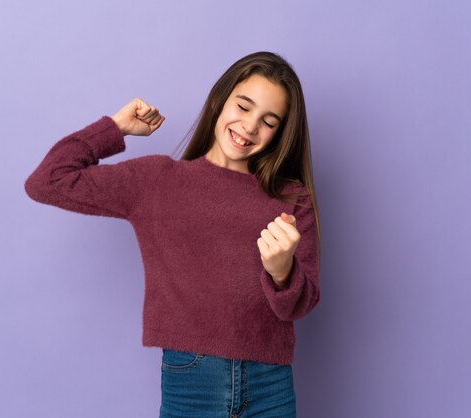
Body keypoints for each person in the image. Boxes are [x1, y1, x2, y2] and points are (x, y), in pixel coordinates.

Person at [25, 51, 320, 418]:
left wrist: (281, 271)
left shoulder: (291, 198)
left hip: (271, 386)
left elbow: (302, 304)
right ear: (218, 100)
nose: (249, 126)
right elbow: (47, 181)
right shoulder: (157, 181)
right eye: (243, 106)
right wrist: (114, 128)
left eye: (268, 121)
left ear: (279, 133)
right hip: (192, 382)